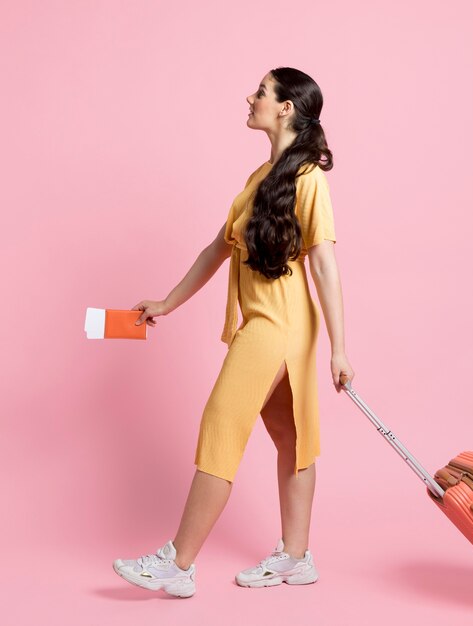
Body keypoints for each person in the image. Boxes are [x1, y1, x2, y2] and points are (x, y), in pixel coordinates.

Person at [112, 66, 355, 597]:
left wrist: (340, 349)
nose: (251, 97)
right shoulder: (258, 178)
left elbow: (326, 267)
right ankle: (296, 557)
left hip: (281, 324)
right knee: (290, 437)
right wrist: (168, 303)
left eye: (262, 92)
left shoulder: (310, 180)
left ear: (286, 107)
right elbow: (218, 248)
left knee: (222, 425)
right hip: (267, 321)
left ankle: (178, 564)